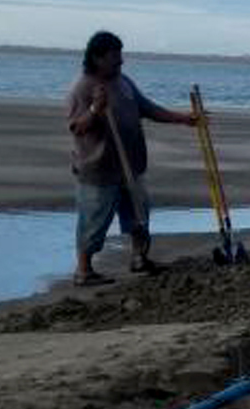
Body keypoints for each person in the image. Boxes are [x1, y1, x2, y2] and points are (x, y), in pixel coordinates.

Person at [65, 30, 196, 286]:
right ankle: (83, 271)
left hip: (131, 166)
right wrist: (95, 109)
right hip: (99, 169)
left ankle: (139, 258)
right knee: (94, 219)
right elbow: (77, 127)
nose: (121, 61)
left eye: (120, 55)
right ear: (97, 58)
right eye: (115, 56)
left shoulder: (123, 81)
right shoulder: (82, 88)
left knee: (139, 214)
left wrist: (182, 119)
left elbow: (146, 108)